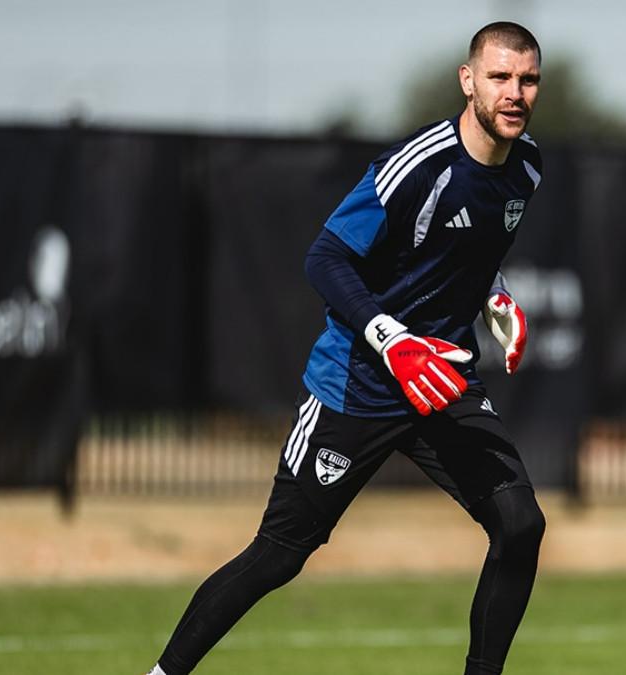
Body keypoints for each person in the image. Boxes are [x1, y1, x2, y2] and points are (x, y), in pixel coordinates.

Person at [147, 20, 546, 675]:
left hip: (440, 382)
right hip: (357, 384)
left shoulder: (526, 165)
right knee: (279, 552)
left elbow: (470, 252)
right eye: (499, 76)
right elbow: (326, 257)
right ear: (467, 80)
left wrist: (495, 296)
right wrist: (393, 341)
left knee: (520, 523)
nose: (514, 92)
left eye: (527, 79)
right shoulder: (417, 167)